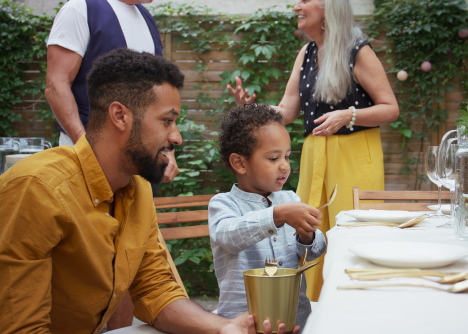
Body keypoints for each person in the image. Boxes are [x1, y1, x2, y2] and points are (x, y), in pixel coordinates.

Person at [0, 48, 296, 334]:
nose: (176, 137)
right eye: (167, 120)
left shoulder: (137, 188)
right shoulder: (37, 189)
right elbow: (21, 327)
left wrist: (223, 326)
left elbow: (156, 289)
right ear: (120, 116)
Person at [227, 0, 399, 300]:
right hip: (315, 154)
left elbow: (390, 108)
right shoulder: (306, 53)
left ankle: (357, 306)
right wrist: (251, 110)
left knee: (352, 235)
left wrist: (350, 115)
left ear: (329, 6)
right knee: (309, 231)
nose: (296, 6)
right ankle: (316, 309)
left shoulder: (358, 50)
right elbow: (286, 111)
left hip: (355, 155)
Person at [209, 103, 327, 331]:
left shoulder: (291, 199)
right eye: (273, 159)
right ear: (240, 163)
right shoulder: (223, 204)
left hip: (295, 320)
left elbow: (313, 253)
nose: (284, 166)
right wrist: (276, 215)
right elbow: (228, 236)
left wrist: (308, 237)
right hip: (244, 324)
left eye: (287, 157)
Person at [45, 0, 178, 184]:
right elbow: (56, 85)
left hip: (139, 165)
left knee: (137, 214)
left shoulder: (145, 18)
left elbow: (157, 97)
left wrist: (165, 150)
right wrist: (87, 149)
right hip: (86, 161)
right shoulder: (81, 7)